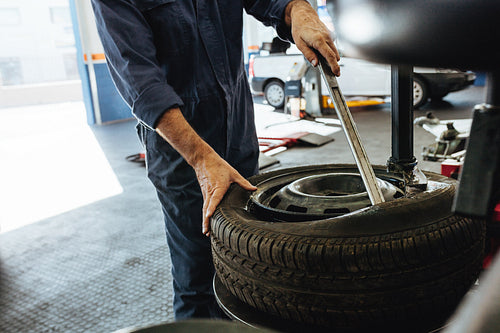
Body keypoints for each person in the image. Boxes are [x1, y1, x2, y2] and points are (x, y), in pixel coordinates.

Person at [91, 0, 340, 320]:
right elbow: (141, 83)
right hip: (183, 155)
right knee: (198, 279)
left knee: (248, 262)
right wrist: (200, 157)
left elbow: (275, 3)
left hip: (238, 136)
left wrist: (301, 12)